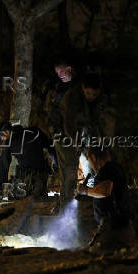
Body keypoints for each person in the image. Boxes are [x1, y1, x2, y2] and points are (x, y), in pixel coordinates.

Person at [44, 58, 89, 200]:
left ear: (69, 69)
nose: (60, 75)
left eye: (62, 71)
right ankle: (68, 199)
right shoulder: (57, 90)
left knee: (81, 166)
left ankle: (78, 195)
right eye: (57, 73)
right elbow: (52, 113)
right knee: (68, 168)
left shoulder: (79, 88)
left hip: (77, 134)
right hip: (63, 135)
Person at [75, 147, 131, 250]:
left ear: (93, 157)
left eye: (88, 160)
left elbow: (104, 191)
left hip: (111, 225)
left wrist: (85, 191)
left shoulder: (107, 169)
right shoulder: (115, 168)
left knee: (96, 254)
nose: (90, 165)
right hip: (116, 223)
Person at [0, 122, 56, 200]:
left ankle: (34, 192)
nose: (3, 139)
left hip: (31, 174)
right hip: (39, 172)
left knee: (20, 196)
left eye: (2, 136)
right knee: (34, 195)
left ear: (6, 132)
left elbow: (3, 166)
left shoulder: (8, 142)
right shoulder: (34, 131)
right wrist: (56, 164)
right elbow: (50, 146)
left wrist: (0, 188)